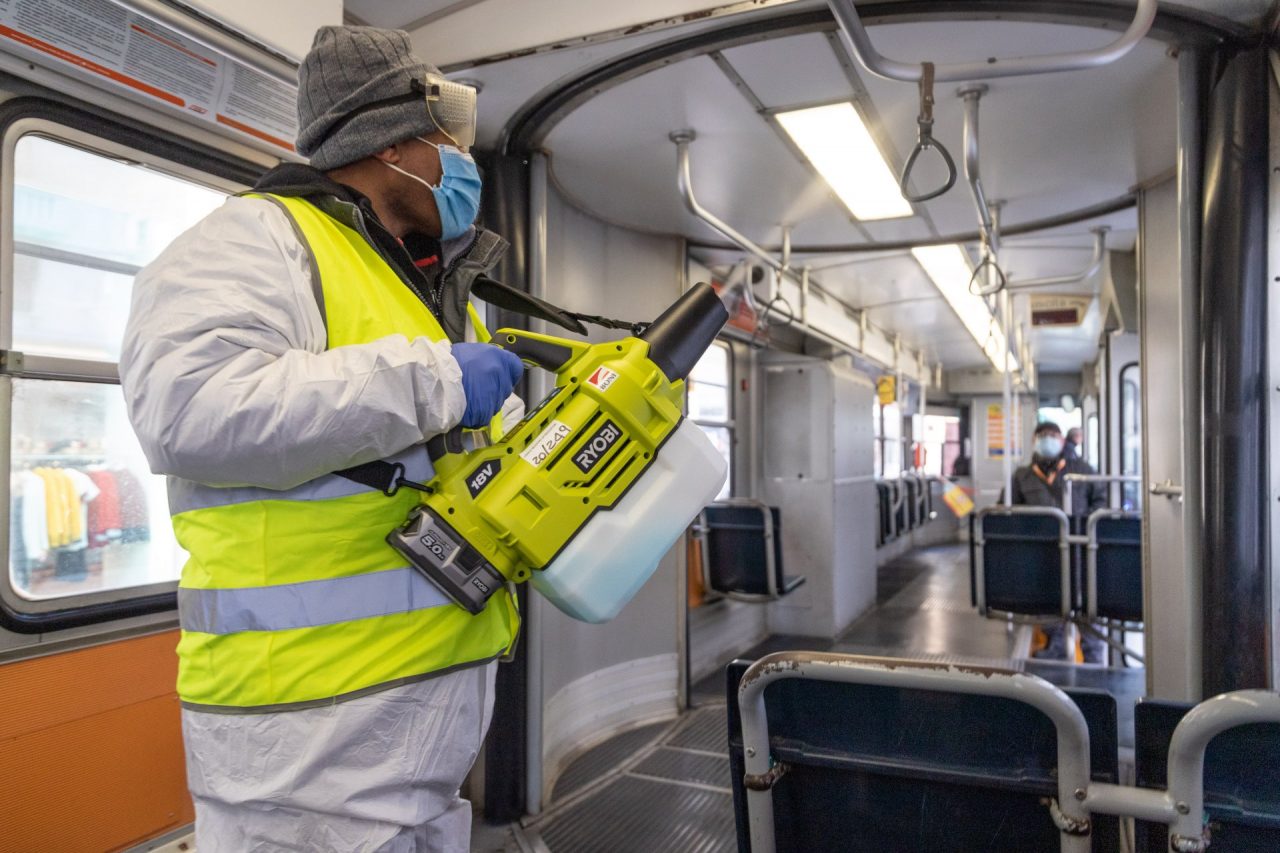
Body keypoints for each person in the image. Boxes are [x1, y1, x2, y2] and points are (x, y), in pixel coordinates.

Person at [120, 25, 527, 852]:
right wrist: (438, 380)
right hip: (303, 734)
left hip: (406, 730)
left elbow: (427, 449)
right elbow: (188, 406)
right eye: (441, 137)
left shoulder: (407, 282)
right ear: (388, 144)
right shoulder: (256, 239)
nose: (458, 158)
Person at [1008, 421, 1107, 662]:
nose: (1047, 439)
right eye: (1042, 435)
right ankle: (1055, 644)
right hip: (1040, 551)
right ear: (1034, 441)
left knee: (1085, 602)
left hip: (1079, 551)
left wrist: (1084, 526)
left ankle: (1093, 654)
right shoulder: (1022, 476)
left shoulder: (1082, 470)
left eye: (1053, 435)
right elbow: (1008, 512)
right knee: (1048, 602)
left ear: (1062, 440)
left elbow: (1101, 501)